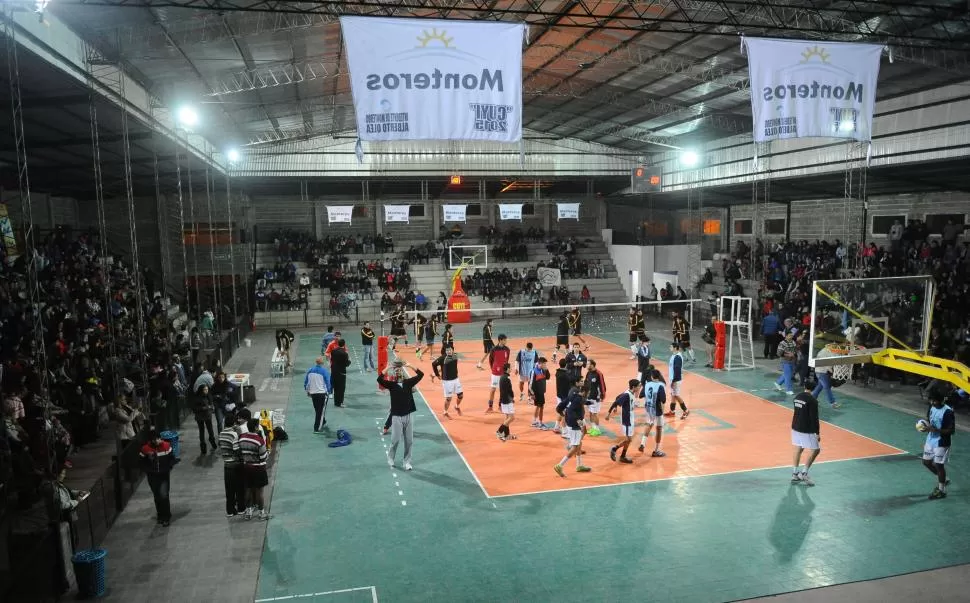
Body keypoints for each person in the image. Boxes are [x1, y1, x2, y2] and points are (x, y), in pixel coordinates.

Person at [377, 359, 424, 470]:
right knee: (395, 440)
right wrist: (388, 367)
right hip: (397, 417)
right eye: (396, 371)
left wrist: (410, 365)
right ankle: (391, 458)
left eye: (400, 371)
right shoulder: (391, 385)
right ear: (394, 374)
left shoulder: (408, 383)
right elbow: (379, 379)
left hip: (408, 416)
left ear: (403, 373)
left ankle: (406, 462)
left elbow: (421, 374)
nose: (399, 373)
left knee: (409, 441)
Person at [922, 390, 956, 499]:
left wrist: (935, 430)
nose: (932, 402)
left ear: (941, 401)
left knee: (938, 465)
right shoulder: (931, 407)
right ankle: (944, 479)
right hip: (930, 440)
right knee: (926, 462)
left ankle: (942, 491)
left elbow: (951, 431)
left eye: (934, 401)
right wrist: (925, 426)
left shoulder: (948, 412)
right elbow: (929, 419)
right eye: (931, 400)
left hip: (942, 442)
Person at [139, 430, 176, 527]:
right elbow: (140, 461)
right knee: (157, 496)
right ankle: (160, 515)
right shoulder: (145, 449)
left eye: (158, 438)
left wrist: (169, 467)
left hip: (164, 475)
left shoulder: (167, 446)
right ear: (150, 440)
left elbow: (172, 458)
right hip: (152, 476)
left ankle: (166, 517)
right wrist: (147, 467)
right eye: (154, 439)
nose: (157, 441)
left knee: (164, 495)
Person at [554, 384, 591, 476]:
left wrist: (562, 414)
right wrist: (579, 421)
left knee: (579, 444)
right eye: (588, 393)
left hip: (570, 423)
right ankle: (559, 465)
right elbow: (571, 411)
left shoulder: (573, 396)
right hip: (574, 425)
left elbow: (560, 406)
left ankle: (579, 465)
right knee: (575, 447)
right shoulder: (578, 399)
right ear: (585, 392)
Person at [239, 417, 271, 520]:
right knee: (259, 491)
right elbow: (263, 457)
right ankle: (261, 513)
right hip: (258, 469)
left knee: (248, 489)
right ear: (256, 427)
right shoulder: (259, 440)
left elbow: (240, 453)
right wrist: (267, 453)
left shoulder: (242, 438)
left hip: (246, 467)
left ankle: (248, 512)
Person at [791, 381, 822, 486]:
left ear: (804, 386)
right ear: (813, 389)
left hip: (795, 427)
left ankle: (795, 474)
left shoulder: (797, 396)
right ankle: (804, 473)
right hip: (805, 429)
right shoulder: (813, 400)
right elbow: (814, 418)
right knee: (816, 450)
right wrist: (817, 433)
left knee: (799, 448)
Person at [218, 410, 247, 518]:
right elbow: (237, 450)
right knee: (240, 488)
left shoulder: (221, 434)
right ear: (234, 423)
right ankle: (241, 508)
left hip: (226, 465)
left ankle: (230, 510)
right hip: (236, 465)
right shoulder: (234, 434)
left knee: (229, 490)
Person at [607, 379, 641, 463]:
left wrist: (615, 407)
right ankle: (614, 448)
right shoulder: (627, 395)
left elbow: (617, 397)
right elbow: (616, 402)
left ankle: (623, 456)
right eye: (638, 386)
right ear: (634, 387)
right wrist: (608, 413)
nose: (640, 388)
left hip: (631, 418)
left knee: (629, 439)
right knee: (629, 439)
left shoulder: (630, 392)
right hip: (627, 419)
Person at [638, 370, 667, 457]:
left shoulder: (647, 384)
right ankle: (656, 450)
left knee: (649, 425)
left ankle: (642, 444)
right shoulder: (660, 386)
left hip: (649, 409)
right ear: (659, 376)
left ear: (652, 376)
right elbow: (663, 400)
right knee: (659, 428)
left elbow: (640, 395)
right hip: (657, 411)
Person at [431, 345, 463, 418]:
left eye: (450, 350)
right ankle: (445, 412)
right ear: (445, 351)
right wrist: (437, 374)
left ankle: (456, 406)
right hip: (447, 381)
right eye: (447, 350)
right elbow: (433, 364)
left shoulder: (455, 356)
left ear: (453, 350)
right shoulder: (443, 358)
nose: (448, 351)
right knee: (449, 398)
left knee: (460, 395)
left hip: (456, 379)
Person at [305, 357, 332, 432]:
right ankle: (317, 428)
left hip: (313, 394)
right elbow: (328, 382)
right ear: (322, 363)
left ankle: (322, 421)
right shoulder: (324, 371)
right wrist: (329, 391)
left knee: (317, 409)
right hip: (322, 394)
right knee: (320, 411)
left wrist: (307, 391)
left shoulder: (310, 370)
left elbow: (306, 382)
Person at [485, 334, 511, 413]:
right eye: (504, 340)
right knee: (493, 390)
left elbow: (507, 360)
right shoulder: (494, 349)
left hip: (503, 373)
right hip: (495, 373)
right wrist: (493, 368)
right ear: (500, 340)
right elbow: (491, 360)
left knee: (502, 390)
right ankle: (490, 407)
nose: (506, 341)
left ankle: (500, 406)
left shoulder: (507, 349)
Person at [665, 342, 690, 418]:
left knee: (676, 395)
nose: (670, 348)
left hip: (676, 379)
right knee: (673, 395)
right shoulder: (674, 355)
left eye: (671, 347)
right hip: (673, 378)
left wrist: (673, 381)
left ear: (675, 348)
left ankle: (685, 410)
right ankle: (672, 411)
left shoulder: (678, 357)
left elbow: (677, 370)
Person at [583, 359, 606, 436]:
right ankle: (593, 428)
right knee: (590, 413)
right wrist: (584, 395)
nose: (587, 365)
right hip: (589, 396)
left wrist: (602, 395)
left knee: (595, 413)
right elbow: (586, 384)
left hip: (596, 397)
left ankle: (597, 429)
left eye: (588, 364)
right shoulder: (588, 373)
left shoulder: (598, 373)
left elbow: (602, 385)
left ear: (592, 365)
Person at [193, 383, 218, 454]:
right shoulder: (197, 398)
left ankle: (212, 442)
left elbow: (211, 403)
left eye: (207, 389)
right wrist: (204, 408)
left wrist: (212, 407)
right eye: (204, 389)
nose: (206, 391)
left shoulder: (209, 396)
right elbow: (194, 408)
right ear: (201, 390)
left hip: (207, 416)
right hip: (200, 417)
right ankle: (203, 446)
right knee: (202, 431)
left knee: (210, 430)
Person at [495, 363, 517, 441]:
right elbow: (510, 391)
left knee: (507, 417)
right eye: (510, 368)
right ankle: (499, 431)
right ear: (508, 369)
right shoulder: (507, 378)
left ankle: (507, 435)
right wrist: (512, 398)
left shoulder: (501, 377)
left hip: (503, 401)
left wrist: (500, 402)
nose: (511, 369)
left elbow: (501, 391)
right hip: (507, 401)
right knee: (512, 418)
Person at [774, 330, 797, 395]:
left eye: (792, 335)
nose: (791, 336)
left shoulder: (793, 342)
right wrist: (787, 354)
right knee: (788, 376)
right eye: (790, 335)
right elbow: (779, 353)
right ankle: (788, 390)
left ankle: (778, 383)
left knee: (788, 374)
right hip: (785, 361)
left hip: (792, 361)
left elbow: (795, 350)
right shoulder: (782, 343)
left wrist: (793, 354)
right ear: (786, 336)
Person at [553, 358, 572, 435]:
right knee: (565, 413)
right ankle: (564, 431)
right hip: (564, 397)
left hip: (559, 395)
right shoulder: (566, 375)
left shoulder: (558, 372)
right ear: (566, 365)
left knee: (560, 411)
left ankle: (556, 427)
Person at [530, 357, 550, 429]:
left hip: (541, 392)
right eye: (544, 363)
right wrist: (532, 394)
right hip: (537, 393)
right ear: (539, 363)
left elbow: (548, 377)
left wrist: (546, 370)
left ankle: (534, 421)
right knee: (541, 407)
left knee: (538, 406)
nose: (545, 365)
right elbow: (530, 384)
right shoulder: (534, 371)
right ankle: (540, 423)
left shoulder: (544, 370)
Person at [330, 339, 351, 407]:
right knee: (341, 389)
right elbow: (346, 364)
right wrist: (349, 361)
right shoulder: (344, 353)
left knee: (336, 388)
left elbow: (332, 360)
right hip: (341, 373)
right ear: (344, 344)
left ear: (338, 344)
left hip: (333, 372)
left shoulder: (333, 351)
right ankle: (340, 403)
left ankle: (336, 402)